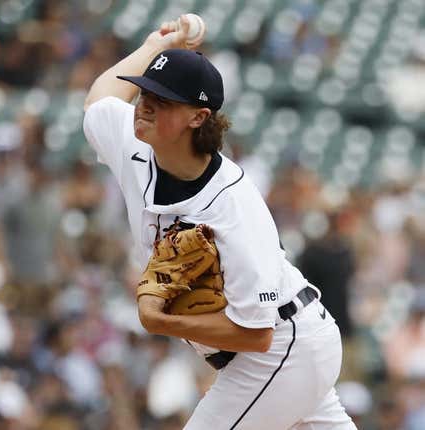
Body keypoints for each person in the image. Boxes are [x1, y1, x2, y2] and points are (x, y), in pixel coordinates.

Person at [82, 15, 355, 429]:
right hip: (280, 352)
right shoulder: (136, 145)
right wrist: (156, 45)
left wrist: (164, 322)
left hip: (279, 348)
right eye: (144, 94)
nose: (145, 105)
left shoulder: (234, 206)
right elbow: (98, 101)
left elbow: (257, 333)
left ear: (198, 117)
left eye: (164, 100)